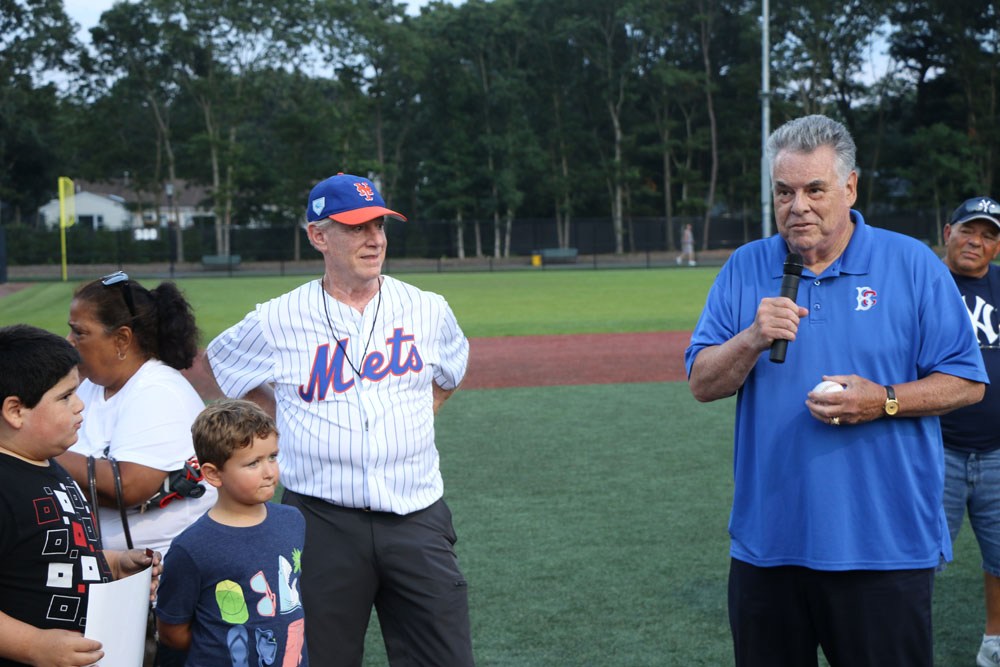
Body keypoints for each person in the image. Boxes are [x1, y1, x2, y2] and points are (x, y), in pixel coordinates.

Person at [685, 114, 988, 667]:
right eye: (784, 192)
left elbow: (966, 382)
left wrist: (883, 400)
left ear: (850, 187)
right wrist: (751, 339)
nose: (797, 206)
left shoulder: (911, 264)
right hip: (768, 550)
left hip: (885, 550)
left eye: (814, 189)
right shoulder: (745, 266)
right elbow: (702, 383)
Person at [206, 172, 474, 666]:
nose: (374, 238)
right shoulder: (277, 318)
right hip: (320, 523)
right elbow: (224, 364)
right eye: (356, 227)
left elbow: (451, 371)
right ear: (318, 236)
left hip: (416, 517)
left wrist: (420, 410)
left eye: (379, 225)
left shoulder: (427, 309)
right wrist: (281, 418)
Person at [0, 324, 161, 667]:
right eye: (65, 396)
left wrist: (114, 565)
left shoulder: (50, 466)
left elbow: (51, 557)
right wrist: (32, 645)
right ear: (15, 411)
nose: (79, 405)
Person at [58, 271, 215, 556]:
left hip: (167, 568)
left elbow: (128, 487)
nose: (68, 340)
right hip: (111, 566)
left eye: (79, 332)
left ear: (122, 339)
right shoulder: (91, 387)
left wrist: (42, 452)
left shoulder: (158, 390)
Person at [155, 399, 308, 666]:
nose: (269, 472)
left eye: (272, 457)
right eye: (253, 463)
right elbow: (172, 631)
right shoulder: (191, 548)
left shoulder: (292, 520)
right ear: (213, 474)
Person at [938, 196, 1000, 667]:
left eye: (988, 235)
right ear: (948, 233)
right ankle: (900, 641)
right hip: (934, 448)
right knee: (916, 558)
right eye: (968, 230)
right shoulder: (925, 282)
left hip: (997, 452)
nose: (976, 242)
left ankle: (994, 640)